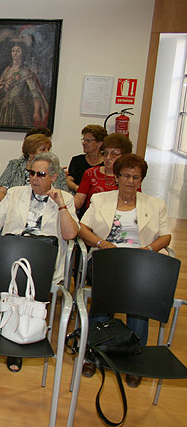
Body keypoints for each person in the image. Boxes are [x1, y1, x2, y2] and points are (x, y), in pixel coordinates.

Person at [0, 152, 79, 372]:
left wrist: (61, 206)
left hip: (44, 264)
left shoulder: (65, 198)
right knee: (15, 257)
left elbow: (70, 234)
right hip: (13, 257)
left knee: (25, 262)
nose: (34, 178)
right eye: (31, 173)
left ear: (53, 176)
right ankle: (13, 340)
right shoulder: (16, 193)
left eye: (41, 174)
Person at [78, 154, 171, 387]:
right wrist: (101, 243)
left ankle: (134, 357)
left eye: (135, 177)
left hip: (141, 262)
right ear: (117, 177)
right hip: (107, 258)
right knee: (107, 288)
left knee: (139, 294)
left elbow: (166, 236)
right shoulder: (100, 199)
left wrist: (147, 250)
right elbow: (83, 228)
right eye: (126, 176)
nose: (130, 181)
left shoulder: (155, 204)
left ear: (141, 180)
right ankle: (96, 351)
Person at [0, 42, 49, 128]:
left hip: (18, 105)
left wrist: (36, 111)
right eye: (13, 51)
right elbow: (3, 88)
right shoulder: (7, 70)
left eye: (18, 51)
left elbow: (35, 93)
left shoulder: (25, 72)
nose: (15, 53)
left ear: (23, 53)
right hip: (4, 104)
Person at [0, 133, 68, 204]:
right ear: (30, 152)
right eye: (43, 150)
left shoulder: (57, 170)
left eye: (48, 149)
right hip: (14, 206)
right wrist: (8, 207)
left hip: (47, 208)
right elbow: (1, 192)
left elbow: (65, 197)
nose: (47, 152)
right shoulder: (14, 165)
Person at [74, 132, 134, 213]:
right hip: (92, 216)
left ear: (124, 156)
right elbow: (79, 200)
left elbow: (135, 203)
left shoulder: (130, 177)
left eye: (113, 154)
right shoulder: (90, 173)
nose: (108, 157)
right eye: (105, 153)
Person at [67, 125, 107, 194]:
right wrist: (79, 189)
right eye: (84, 140)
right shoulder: (77, 160)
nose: (84, 143)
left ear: (99, 143)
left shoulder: (107, 163)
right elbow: (68, 180)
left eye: (88, 141)